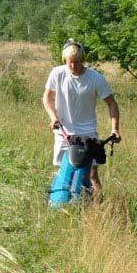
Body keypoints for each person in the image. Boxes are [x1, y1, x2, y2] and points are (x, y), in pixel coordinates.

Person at [43, 39, 121, 194]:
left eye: (77, 62)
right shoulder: (57, 73)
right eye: (70, 62)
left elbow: (112, 103)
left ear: (83, 60)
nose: (73, 66)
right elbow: (47, 98)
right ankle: (62, 204)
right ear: (65, 60)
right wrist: (53, 118)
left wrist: (115, 129)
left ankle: (97, 207)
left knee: (91, 174)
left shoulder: (96, 78)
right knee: (63, 172)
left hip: (88, 134)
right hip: (63, 131)